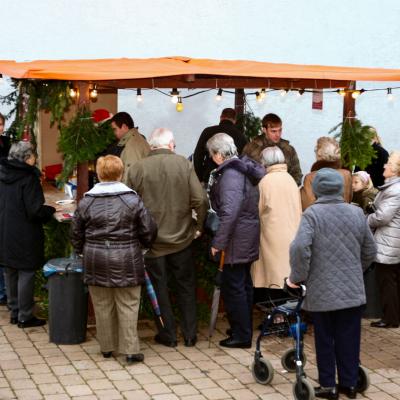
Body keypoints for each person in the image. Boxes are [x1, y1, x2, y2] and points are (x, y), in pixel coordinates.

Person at [287, 168, 376, 400]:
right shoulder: (356, 213)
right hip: (352, 290)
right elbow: (370, 250)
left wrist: (297, 277)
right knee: (350, 337)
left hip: (322, 290)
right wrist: (356, 270)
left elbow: (299, 249)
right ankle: (349, 384)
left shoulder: (312, 215)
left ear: (316, 190)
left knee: (325, 339)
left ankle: (328, 386)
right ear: (340, 188)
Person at [71, 155, 157, 363]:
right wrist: (143, 247)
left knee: (101, 304)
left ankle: (107, 347)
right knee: (128, 304)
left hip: (95, 259)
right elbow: (149, 230)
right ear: (121, 173)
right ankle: (130, 350)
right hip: (127, 258)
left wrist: (83, 251)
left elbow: (75, 232)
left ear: (99, 174)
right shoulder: (132, 200)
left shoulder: (87, 201)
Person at [127, 128, 207, 348]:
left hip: (151, 243)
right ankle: (190, 335)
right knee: (186, 287)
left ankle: (168, 334)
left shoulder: (137, 168)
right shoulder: (184, 164)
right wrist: (198, 227)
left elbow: (128, 203)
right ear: (171, 144)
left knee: (158, 289)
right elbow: (200, 199)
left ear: (152, 146)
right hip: (182, 239)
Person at [207, 133, 265, 348]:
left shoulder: (231, 174)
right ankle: (243, 328)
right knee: (244, 285)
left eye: (212, 154)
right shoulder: (241, 169)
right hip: (245, 235)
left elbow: (229, 213)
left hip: (236, 239)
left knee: (235, 288)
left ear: (219, 155)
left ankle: (241, 336)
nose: (212, 158)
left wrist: (218, 243)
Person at [0, 141, 56, 328]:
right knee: (26, 271)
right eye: (34, 155)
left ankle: (14, 310)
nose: (35, 159)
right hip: (24, 232)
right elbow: (34, 210)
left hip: (4, 229)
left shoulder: (2, 173)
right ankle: (25, 316)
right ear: (27, 158)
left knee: (10, 269)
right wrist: (48, 210)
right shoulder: (28, 177)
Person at [251, 146, 302, 302]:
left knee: (273, 280)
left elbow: (256, 212)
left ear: (264, 163)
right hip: (293, 234)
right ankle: (287, 317)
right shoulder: (290, 180)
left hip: (271, 237)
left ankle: (276, 319)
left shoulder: (265, 182)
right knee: (286, 276)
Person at [368, 151, 400, 329]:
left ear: (395, 170)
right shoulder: (393, 188)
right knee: (392, 280)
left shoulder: (395, 190)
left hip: (389, 242)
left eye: (388, 163)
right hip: (393, 241)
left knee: (387, 281)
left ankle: (390, 319)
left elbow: (382, 217)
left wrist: (366, 218)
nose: (384, 165)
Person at [243, 113, 302, 185]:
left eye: (280, 130)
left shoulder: (288, 149)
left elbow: (297, 173)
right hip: (259, 193)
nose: (278, 134)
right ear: (264, 130)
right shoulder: (251, 148)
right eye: (273, 131)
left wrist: (287, 187)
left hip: (283, 192)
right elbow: (243, 173)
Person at [193, 108, 248, 185]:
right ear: (234, 120)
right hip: (231, 179)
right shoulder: (240, 136)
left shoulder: (208, 131)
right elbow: (244, 158)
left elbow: (198, 155)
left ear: (221, 117)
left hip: (209, 177)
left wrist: (200, 177)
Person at [301, 136, 352, 210]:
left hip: (320, 219)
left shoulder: (310, 177)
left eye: (316, 150)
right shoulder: (346, 174)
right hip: (344, 216)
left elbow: (308, 206)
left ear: (319, 154)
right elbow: (349, 198)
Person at [106, 112, 150, 183]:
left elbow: (130, 178)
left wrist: (123, 192)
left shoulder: (132, 145)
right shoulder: (137, 139)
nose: (114, 133)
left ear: (124, 127)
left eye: (115, 129)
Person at [0, 112, 10, 305]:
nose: (0, 128)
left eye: (1, 124)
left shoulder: (5, 142)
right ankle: (1, 292)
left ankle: (3, 291)